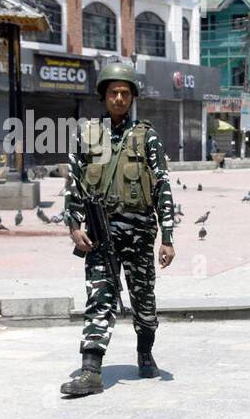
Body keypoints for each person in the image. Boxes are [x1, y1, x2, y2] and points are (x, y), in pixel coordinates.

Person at [60, 62, 177, 397]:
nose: (119, 98)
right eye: (113, 92)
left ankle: (144, 351)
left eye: (125, 92)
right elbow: (74, 183)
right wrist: (74, 225)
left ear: (133, 97)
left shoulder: (147, 137)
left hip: (140, 233)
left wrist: (167, 238)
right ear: (104, 96)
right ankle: (91, 370)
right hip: (100, 233)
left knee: (144, 300)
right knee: (99, 296)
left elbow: (163, 187)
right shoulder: (87, 135)